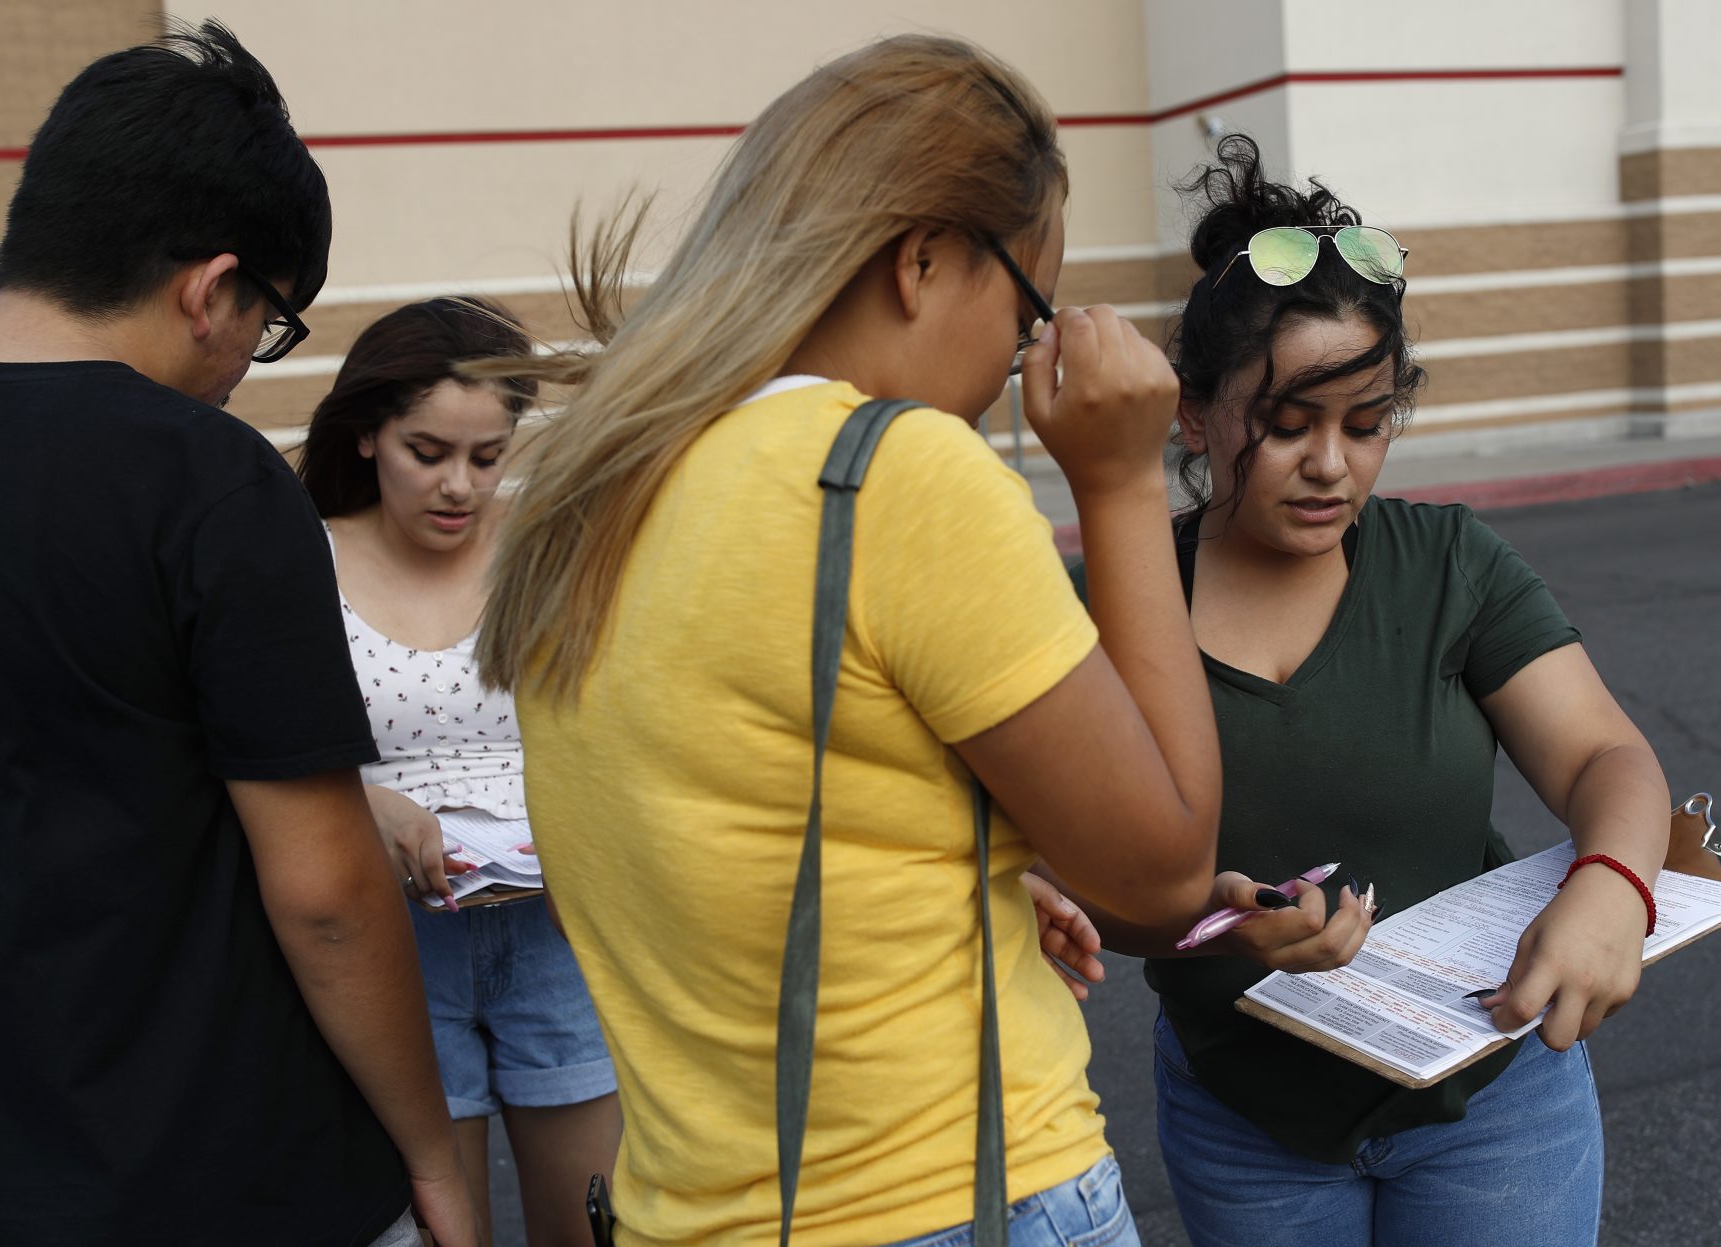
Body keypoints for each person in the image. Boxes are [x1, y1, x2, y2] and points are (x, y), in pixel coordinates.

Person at [474, 34, 1226, 1247]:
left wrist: (964, 866)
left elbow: (725, 821)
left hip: (695, 1212)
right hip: (953, 1196)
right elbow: (1162, 876)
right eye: (1028, 309)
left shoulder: (600, 484)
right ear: (923, 257)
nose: (1017, 365)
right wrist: (1126, 483)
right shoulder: (894, 473)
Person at [1062, 136, 1672, 1247]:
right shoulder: (1112, 595)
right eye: (1288, 424)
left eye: (1368, 422)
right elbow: (1063, 889)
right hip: (1248, 1118)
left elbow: (1603, 759)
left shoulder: (1450, 565)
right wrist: (1209, 925)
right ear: (1193, 417)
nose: (1332, 464)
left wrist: (1614, 884)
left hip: (1493, 1097)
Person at [0, 24, 476, 1247]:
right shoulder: (209, 484)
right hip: (226, 1173)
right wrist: (435, 1154)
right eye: (270, 324)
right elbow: (326, 894)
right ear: (211, 288)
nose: (251, 361)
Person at [297, 296, 622, 1247]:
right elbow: (262, 758)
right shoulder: (299, 558)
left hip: (555, 927)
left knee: (598, 1225)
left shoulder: (544, 549)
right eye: (427, 452)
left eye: (487, 456)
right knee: (444, 1228)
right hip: (386, 941)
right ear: (366, 435)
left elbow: (610, 728)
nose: (460, 487)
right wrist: (368, 802)